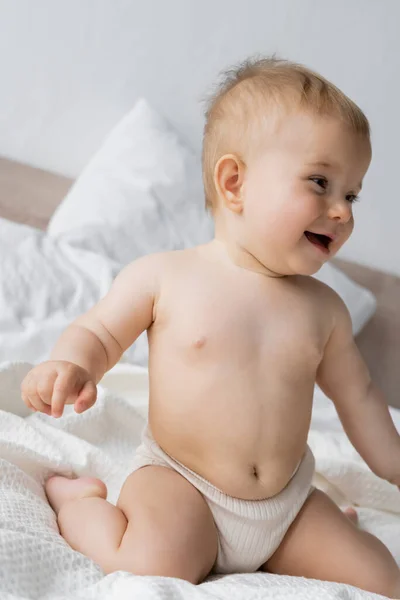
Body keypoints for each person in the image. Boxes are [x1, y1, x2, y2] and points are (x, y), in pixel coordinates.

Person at [21, 57, 400, 596]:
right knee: (153, 563)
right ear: (234, 182)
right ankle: (81, 505)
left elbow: (359, 397)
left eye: (352, 194)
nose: (342, 212)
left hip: (285, 505)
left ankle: (326, 530)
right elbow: (100, 333)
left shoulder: (325, 309)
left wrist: (394, 466)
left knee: (382, 576)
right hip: (183, 485)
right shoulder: (166, 276)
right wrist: (70, 364)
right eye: (321, 182)